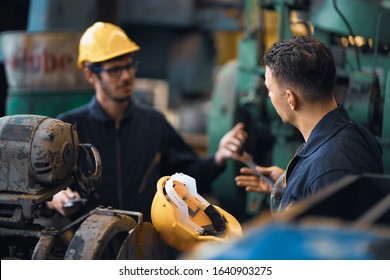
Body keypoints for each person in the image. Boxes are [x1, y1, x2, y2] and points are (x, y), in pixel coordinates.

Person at [46, 22, 247, 221]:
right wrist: (54, 198)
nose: (126, 76)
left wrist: (219, 157)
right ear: (90, 75)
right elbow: (43, 187)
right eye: (115, 70)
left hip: (145, 243)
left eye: (129, 66)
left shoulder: (154, 123)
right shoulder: (70, 129)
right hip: (92, 248)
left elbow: (188, 179)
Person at [235, 35, 383, 213]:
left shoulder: (330, 171)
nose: (268, 96)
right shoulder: (356, 135)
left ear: (290, 99)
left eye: (269, 89)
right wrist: (291, 185)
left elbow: (324, 238)